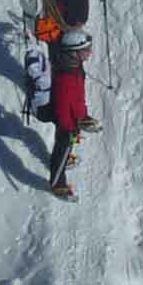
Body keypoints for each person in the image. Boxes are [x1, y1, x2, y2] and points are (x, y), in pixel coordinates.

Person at [45, 28, 93, 200]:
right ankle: (57, 185)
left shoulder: (73, 65)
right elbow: (67, 105)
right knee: (62, 148)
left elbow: (77, 98)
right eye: (86, 49)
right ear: (74, 52)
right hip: (67, 122)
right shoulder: (68, 76)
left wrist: (83, 117)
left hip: (70, 119)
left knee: (65, 146)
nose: (90, 52)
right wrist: (74, 124)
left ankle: (65, 159)